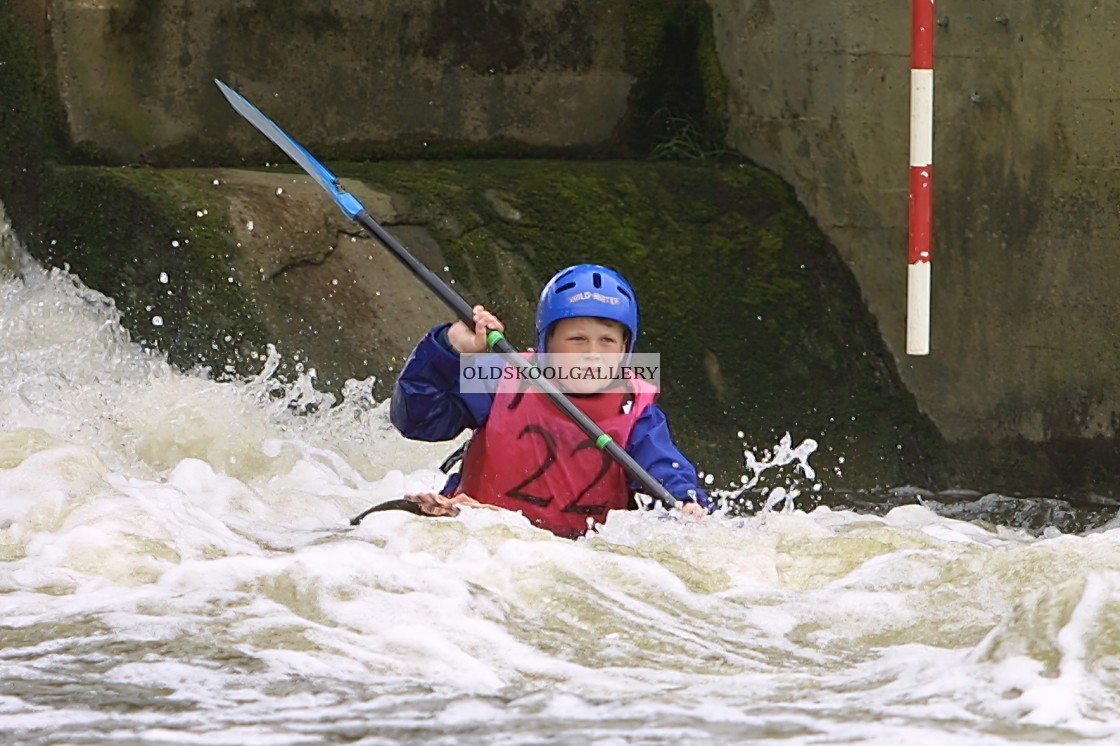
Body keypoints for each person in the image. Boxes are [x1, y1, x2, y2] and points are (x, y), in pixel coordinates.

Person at [390, 264, 713, 538]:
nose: (592, 354)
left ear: (625, 350)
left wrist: (686, 503)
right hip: (476, 532)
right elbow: (418, 421)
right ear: (547, 343)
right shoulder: (498, 377)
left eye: (607, 341)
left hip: (571, 556)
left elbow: (667, 474)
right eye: (577, 339)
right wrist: (447, 348)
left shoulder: (637, 413)